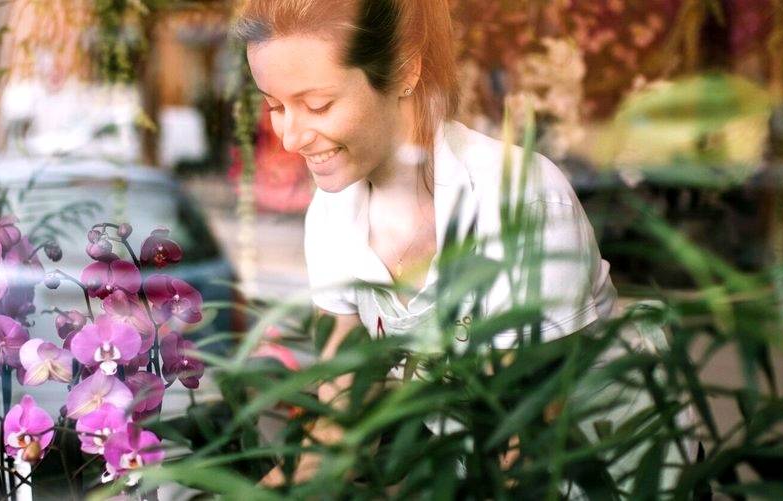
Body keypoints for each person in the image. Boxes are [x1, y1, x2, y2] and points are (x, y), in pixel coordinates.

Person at [235, 0, 620, 486]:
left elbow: (525, 448)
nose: (289, 138)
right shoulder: (332, 217)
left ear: (404, 70)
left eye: (318, 105)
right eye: (274, 106)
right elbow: (343, 424)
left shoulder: (519, 200)